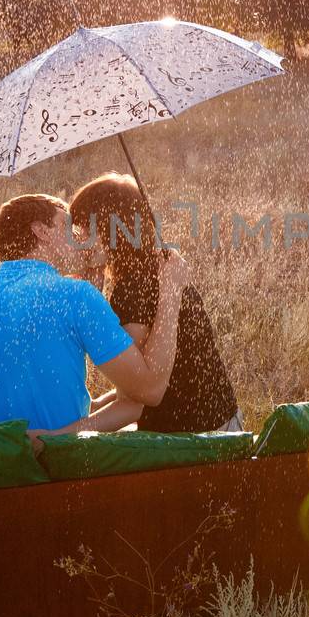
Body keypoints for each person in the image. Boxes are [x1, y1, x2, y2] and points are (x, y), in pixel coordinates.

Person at [0, 193, 189, 431]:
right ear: (41, 231)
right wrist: (171, 290)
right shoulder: (75, 297)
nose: (77, 238)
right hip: (52, 463)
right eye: (67, 225)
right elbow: (150, 390)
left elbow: (44, 388)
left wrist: (91, 286)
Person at [58, 172, 243, 433]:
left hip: (190, 442)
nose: (80, 241)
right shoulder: (159, 268)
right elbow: (145, 382)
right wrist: (93, 404)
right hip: (223, 423)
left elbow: (138, 396)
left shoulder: (133, 287)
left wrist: (56, 436)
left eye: (86, 229)